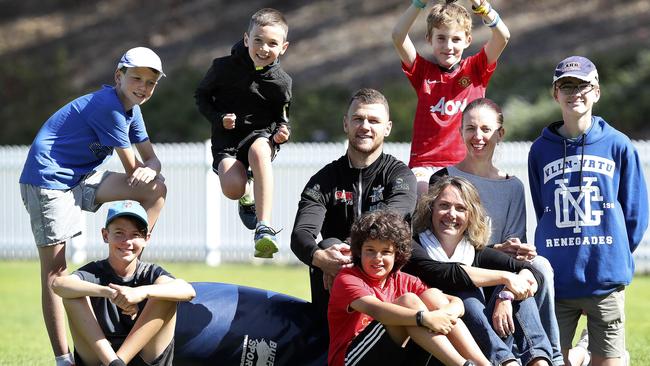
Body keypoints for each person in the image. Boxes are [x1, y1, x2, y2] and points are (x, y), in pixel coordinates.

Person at [18, 47, 168, 366]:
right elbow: (133, 167)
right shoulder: (108, 107)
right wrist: (144, 169)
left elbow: (151, 162)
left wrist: (151, 170)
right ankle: (63, 360)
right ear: (118, 76)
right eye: (136, 78)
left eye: (151, 83)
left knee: (156, 190)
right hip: (48, 179)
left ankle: (126, 266)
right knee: (55, 274)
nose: (143, 87)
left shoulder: (133, 110)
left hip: (81, 176)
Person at [528, 56, 648, 366]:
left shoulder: (619, 145)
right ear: (555, 94)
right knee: (553, 360)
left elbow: (634, 213)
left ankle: (588, 353)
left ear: (596, 91)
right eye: (566, 86)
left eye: (582, 85)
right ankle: (579, 353)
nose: (574, 93)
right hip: (559, 279)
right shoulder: (540, 150)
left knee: (608, 361)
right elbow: (544, 207)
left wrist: (610, 251)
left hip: (604, 278)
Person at [428, 98, 564, 365]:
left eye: (486, 129)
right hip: (463, 273)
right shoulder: (443, 179)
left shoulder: (513, 186)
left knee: (540, 265)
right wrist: (496, 256)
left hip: (501, 273)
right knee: (481, 292)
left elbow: (513, 252)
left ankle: (550, 356)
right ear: (460, 131)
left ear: (500, 134)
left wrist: (516, 256)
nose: (477, 136)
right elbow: (446, 244)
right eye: (470, 128)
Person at [291, 88, 417, 322]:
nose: (365, 126)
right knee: (326, 246)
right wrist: (321, 258)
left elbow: (389, 221)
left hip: (385, 280)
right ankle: (329, 344)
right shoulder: (324, 180)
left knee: (338, 245)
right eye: (358, 119)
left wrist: (347, 252)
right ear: (346, 124)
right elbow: (301, 234)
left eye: (374, 120)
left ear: (387, 128)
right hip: (338, 283)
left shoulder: (400, 176)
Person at [403, 176, 553, 365]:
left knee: (518, 291)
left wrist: (506, 295)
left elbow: (532, 271)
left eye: (460, 208)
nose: (451, 214)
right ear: (431, 208)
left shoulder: (476, 252)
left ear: (471, 215)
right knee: (467, 296)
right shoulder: (413, 246)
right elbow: (443, 273)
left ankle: (539, 361)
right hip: (438, 348)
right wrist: (505, 277)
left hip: (487, 341)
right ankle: (506, 362)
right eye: (444, 205)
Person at [328, 210, 489, 366]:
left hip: (396, 355)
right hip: (352, 359)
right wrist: (424, 318)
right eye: (370, 250)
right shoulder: (347, 279)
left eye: (386, 252)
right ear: (359, 252)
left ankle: (484, 364)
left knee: (432, 295)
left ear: (396, 255)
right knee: (409, 301)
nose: (377, 258)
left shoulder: (402, 279)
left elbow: (457, 302)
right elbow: (378, 311)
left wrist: (443, 315)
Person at [195, 8, 292, 259]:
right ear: (247, 39)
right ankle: (246, 194)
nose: (264, 48)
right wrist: (219, 118)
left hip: (260, 135)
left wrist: (281, 134)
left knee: (260, 151)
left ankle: (264, 227)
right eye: (258, 40)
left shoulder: (281, 82)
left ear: (283, 47)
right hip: (226, 140)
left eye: (272, 43)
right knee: (233, 189)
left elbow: (283, 118)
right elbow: (202, 96)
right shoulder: (222, 68)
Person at [52, 200, 196, 366]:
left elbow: (188, 290)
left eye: (135, 235)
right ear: (106, 235)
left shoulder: (150, 273)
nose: (127, 242)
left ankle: (119, 361)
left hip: (145, 358)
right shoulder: (94, 272)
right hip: (101, 359)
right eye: (119, 233)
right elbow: (58, 284)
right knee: (72, 295)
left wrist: (141, 292)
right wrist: (109, 292)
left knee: (164, 294)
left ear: (146, 238)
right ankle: (115, 363)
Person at [391, 0, 510, 195]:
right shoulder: (422, 72)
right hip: (425, 165)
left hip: (466, 164)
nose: (448, 46)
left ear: (468, 40)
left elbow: (503, 36)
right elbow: (398, 36)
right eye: (441, 38)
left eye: (456, 39)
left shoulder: (476, 69)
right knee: (421, 196)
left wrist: (482, 6)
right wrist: (419, 3)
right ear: (429, 38)